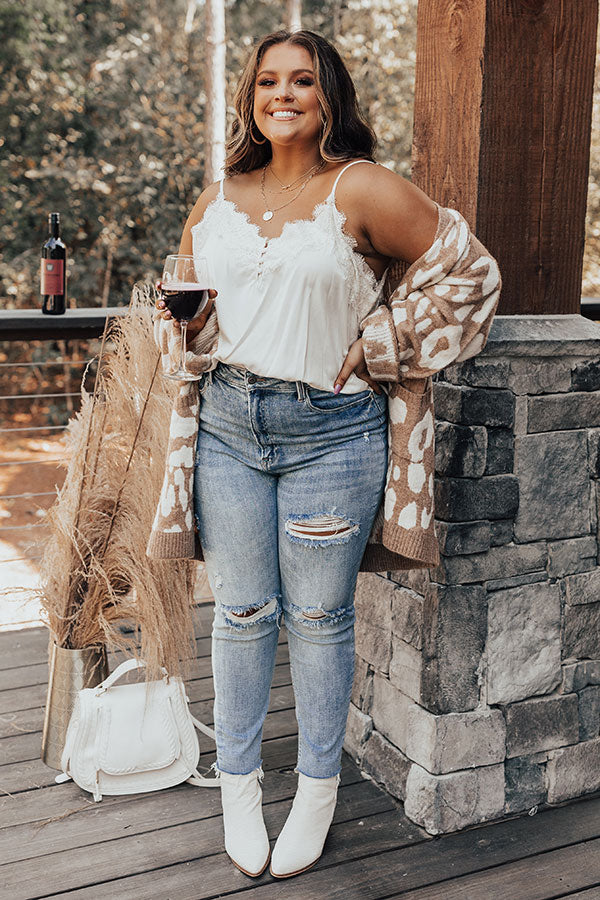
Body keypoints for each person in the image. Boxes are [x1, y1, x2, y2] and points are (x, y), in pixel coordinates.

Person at [152, 29, 501, 880]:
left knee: (317, 620)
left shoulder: (364, 189)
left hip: (331, 437)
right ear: (250, 98)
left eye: (301, 80)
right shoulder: (217, 199)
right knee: (240, 617)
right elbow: (189, 330)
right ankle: (238, 788)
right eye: (268, 80)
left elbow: (471, 273)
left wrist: (386, 339)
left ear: (327, 95)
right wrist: (191, 333)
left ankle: (315, 792)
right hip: (231, 427)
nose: (283, 93)